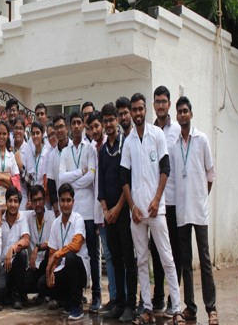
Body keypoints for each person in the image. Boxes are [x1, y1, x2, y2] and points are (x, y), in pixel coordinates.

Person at [120, 93, 185, 325]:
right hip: (137, 213)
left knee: (167, 258)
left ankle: (176, 309)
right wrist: (132, 207)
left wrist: (157, 200)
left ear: (145, 110)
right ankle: (147, 307)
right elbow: (124, 177)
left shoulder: (157, 134)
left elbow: (165, 168)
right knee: (141, 261)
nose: (137, 113)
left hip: (157, 210)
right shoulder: (128, 141)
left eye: (140, 109)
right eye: (134, 109)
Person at [170, 97, 218, 325]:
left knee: (205, 261)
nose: (182, 115)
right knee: (185, 263)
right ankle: (190, 307)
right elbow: (172, 178)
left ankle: (212, 308)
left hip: (199, 210)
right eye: (179, 111)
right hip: (182, 211)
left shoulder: (202, 139)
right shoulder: (174, 145)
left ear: (191, 113)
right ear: (177, 115)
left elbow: (210, 174)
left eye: (185, 111)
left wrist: (200, 196)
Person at [97, 103, 137, 322]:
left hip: (124, 212)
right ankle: (119, 303)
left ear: (117, 121)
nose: (109, 124)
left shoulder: (126, 145)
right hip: (109, 215)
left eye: (112, 119)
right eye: (106, 121)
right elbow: (101, 185)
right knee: (116, 259)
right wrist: (105, 210)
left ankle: (131, 304)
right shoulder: (103, 151)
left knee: (129, 258)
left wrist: (118, 208)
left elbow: (127, 180)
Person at [59, 111, 100, 312]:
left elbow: (91, 176)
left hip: (88, 210)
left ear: (83, 126)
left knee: (92, 253)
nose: (76, 126)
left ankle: (97, 295)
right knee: (73, 252)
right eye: (73, 123)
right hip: (72, 211)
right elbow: (60, 178)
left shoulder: (90, 148)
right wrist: (79, 173)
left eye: (79, 123)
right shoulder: (65, 152)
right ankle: (76, 294)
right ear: (69, 126)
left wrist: (71, 184)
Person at [38, 183, 90, 321]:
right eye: (62, 200)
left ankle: (77, 305)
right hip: (63, 268)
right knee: (42, 283)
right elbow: (52, 252)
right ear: (59, 202)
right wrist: (50, 270)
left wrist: (58, 254)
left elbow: (76, 245)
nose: (65, 204)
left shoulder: (78, 219)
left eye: (68, 200)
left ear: (73, 202)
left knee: (71, 257)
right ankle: (67, 300)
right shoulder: (56, 223)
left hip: (80, 270)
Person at [151, 86, 182, 316]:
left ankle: (174, 298)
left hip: (173, 201)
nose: (160, 105)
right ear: (154, 105)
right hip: (155, 203)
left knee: (174, 252)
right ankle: (159, 296)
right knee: (156, 251)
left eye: (164, 101)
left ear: (169, 104)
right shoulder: (150, 131)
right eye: (157, 101)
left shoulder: (177, 130)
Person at [87, 110, 118, 314]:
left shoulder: (110, 146)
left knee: (117, 256)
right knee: (107, 254)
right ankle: (113, 298)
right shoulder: (91, 148)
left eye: (97, 126)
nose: (95, 130)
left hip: (114, 209)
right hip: (99, 211)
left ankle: (121, 298)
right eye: (92, 128)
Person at [0, 187, 30, 309]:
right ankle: (8, 292)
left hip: (15, 263)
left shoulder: (22, 217)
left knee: (23, 253)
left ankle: (17, 295)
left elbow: (26, 239)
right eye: (10, 201)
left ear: (19, 203)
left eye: (16, 201)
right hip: (2, 264)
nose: (13, 204)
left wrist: (12, 248)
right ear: (6, 202)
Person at [23, 185, 55, 301]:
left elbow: (54, 241)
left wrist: (37, 248)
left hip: (48, 263)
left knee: (50, 250)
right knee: (25, 283)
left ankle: (50, 294)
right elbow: (12, 211)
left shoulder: (52, 216)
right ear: (30, 203)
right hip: (34, 265)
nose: (37, 204)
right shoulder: (28, 216)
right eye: (34, 201)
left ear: (44, 200)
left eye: (40, 200)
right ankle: (42, 292)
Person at [0, 120, 21, 211]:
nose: (1, 136)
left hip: (9, 198)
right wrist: (8, 178)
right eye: (0, 133)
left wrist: (1, 176)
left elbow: (17, 179)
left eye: (4, 134)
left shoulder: (11, 155)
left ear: (8, 135)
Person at [46, 113, 72, 217]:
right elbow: (51, 184)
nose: (59, 130)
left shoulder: (75, 149)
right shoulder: (52, 155)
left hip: (76, 203)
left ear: (67, 128)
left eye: (61, 126)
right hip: (60, 208)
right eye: (56, 128)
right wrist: (56, 208)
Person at [12, 115, 33, 210]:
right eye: (16, 128)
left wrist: (20, 167)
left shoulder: (28, 149)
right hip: (8, 196)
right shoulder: (9, 146)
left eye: (20, 128)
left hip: (22, 197)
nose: (18, 131)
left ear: (24, 131)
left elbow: (31, 182)